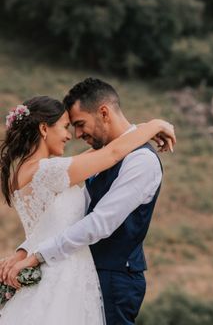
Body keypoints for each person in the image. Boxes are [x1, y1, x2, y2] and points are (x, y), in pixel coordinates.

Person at [0, 78, 175, 324]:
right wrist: (155, 124)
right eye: (67, 127)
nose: (74, 135)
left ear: (103, 112)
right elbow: (111, 153)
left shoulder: (140, 161)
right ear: (43, 129)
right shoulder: (55, 168)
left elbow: (100, 221)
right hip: (68, 273)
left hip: (110, 276)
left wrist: (28, 252)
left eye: (79, 124)